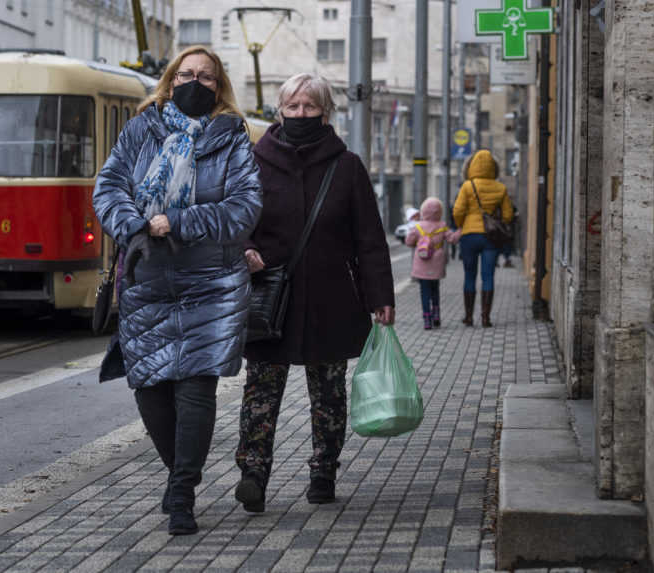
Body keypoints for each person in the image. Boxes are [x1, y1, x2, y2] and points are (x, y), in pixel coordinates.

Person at [92, 45, 262, 535]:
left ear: (218, 85)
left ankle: (183, 491)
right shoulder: (142, 128)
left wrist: (179, 221)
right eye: (186, 74)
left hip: (211, 282)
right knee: (150, 390)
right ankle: (178, 475)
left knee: (194, 388)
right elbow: (109, 186)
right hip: (148, 279)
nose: (194, 82)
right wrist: (136, 228)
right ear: (169, 80)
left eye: (205, 77)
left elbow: (245, 207)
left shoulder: (233, 137)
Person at [235, 73, 395, 513]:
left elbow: (369, 238)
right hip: (271, 301)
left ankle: (324, 471)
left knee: (328, 394)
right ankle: (253, 474)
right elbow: (236, 223)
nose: (300, 115)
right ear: (280, 111)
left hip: (331, 300)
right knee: (261, 393)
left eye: (309, 107)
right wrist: (246, 248)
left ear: (326, 113)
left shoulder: (347, 166)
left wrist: (381, 294)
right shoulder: (253, 161)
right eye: (293, 107)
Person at [452, 149, 513, 327]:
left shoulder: (467, 186)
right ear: (493, 167)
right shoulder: (500, 187)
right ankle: (486, 317)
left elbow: (457, 211)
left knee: (469, 276)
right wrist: (496, 218)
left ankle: (469, 317)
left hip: (469, 236)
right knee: (488, 276)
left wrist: (461, 224)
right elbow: (508, 215)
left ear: (472, 166)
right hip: (491, 237)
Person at [405, 197, 455, 329]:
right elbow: (452, 239)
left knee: (424, 291)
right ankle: (437, 314)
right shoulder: (442, 226)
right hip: (437, 262)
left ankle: (427, 318)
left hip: (422, 262)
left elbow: (409, 242)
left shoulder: (418, 227)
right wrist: (461, 231)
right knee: (435, 289)